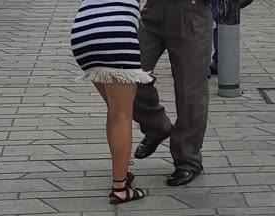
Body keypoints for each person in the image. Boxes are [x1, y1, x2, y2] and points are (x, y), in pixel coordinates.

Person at [71, 0, 151, 204]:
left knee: (115, 111)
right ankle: (120, 188)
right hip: (116, 32)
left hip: (83, 31)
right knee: (122, 116)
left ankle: (121, 171)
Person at [133, 0, 213, 186]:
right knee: (128, 74)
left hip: (191, 12)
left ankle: (188, 159)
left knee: (190, 91)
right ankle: (157, 127)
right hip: (152, 11)